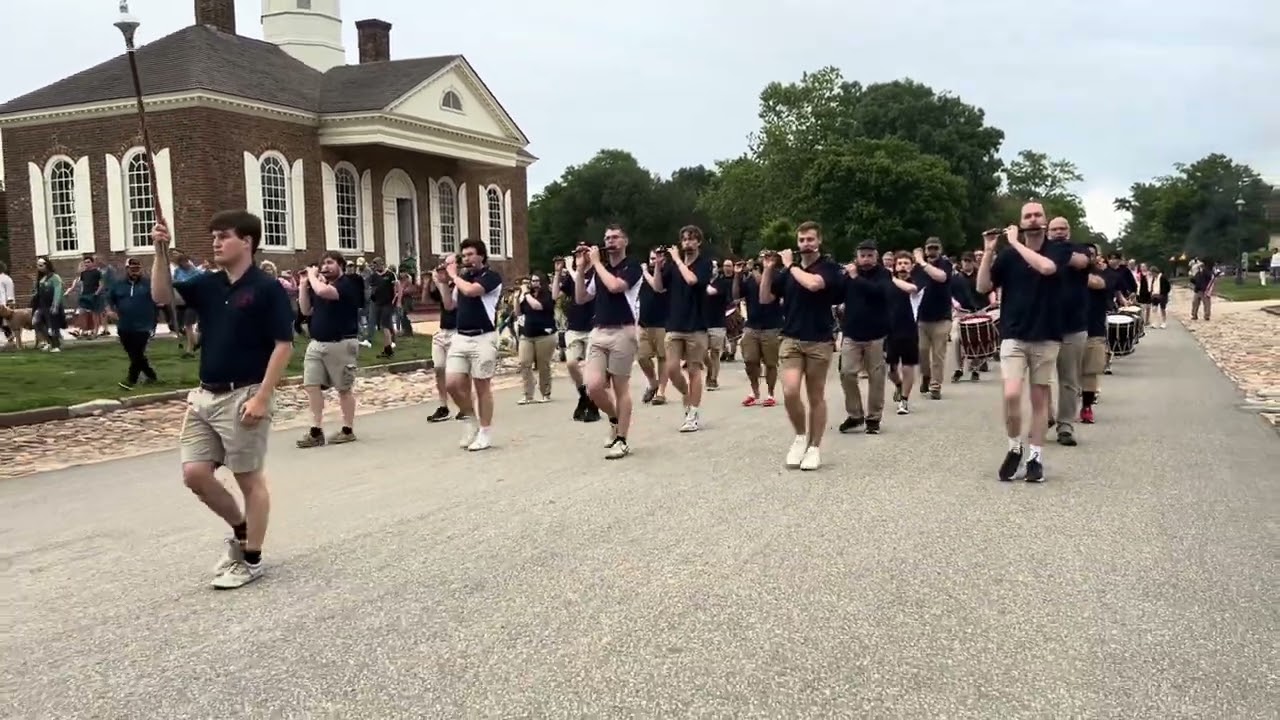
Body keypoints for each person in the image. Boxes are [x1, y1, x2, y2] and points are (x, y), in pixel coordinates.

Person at [149, 211, 294, 589]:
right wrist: (159, 251)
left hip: (246, 393)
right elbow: (162, 295)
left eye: (224, 236)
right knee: (195, 474)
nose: (215, 242)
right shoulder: (208, 284)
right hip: (204, 395)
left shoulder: (266, 288)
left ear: (246, 241)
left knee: (248, 478)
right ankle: (241, 530)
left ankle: (252, 559)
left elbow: (284, 346)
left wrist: (263, 397)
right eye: (213, 235)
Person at [975, 204, 1074, 483]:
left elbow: (1045, 268)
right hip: (1014, 334)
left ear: (1044, 220)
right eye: (1027, 216)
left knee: (1039, 398)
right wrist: (989, 251)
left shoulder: (1058, 248)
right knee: (1011, 393)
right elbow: (983, 287)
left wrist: (1016, 242)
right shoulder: (1008, 255)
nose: (1032, 219)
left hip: (1047, 334)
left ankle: (1035, 457)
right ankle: (1014, 447)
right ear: (1020, 221)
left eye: (1037, 215)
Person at [760, 221, 842, 471]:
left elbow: (814, 284)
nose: (805, 244)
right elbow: (765, 298)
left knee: (815, 395)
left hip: (819, 340)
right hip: (791, 338)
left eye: (810, 239)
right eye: (802, 240)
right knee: (791, 391)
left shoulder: (828, 267)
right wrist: (768, 270)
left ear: (819, 241)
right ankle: (799, 436)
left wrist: (790, 265)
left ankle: (814, 447)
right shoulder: (787, 273)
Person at [577, 225, 644, 459]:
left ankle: (622, 439)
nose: (610, 241)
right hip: (599, 331)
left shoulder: (633, 267)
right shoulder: (599, 270)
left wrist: (596, 263)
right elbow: (581, 297)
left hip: (622, 332)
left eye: (615, 237)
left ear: (625, 241)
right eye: (607, 238)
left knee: (620, 386)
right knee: (593, 386)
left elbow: (616, 287)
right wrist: (579, 269)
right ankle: (615, 418)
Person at [295, 251, 362, 448]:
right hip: (317, 344)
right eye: (322, 263)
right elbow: (306, 310)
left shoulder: (346, 284)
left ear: (340, 265)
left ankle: (347, 429)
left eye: (330, 263)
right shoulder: (319, 286)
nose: (325, 266)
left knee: (343, 389)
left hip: (341, 343)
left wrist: (314, 278)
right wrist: (303, 284)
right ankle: (316, 431)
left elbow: (325, 293)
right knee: (311, 385)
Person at [652, 225, 715, 432]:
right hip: (674, 324)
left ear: (698, 242)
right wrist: (658, 266)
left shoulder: (704, 264)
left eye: (691, 239)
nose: (687, 243)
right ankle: (688, 397)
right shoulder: (672, 266)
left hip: (696, 325)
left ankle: (693, 414)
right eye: (684, 239)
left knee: (694, 370)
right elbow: (658, 287)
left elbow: (692, 280)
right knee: (671, 369)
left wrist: (677, 259)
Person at [444, 238, 504, 451]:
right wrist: (443, 281)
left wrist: (452, 275)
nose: (466, 259)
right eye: (464, 255)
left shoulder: (491, 277)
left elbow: (471, 291)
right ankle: (470, 417)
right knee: (451, 383)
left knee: (481, 387)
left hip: (483, 337)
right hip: (461, 336)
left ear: (481, 256)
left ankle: (485, 432)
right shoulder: (462, 277)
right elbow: (449, 304)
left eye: (470, 255)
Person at [1046, 217, 1094, 447]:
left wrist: (1052, 251)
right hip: (1043, 325)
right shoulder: (1040, 251)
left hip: (1073, 325)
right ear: (1047, 231)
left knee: (1068, 379)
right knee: (1039, 378)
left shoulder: (1079, 249)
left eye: (1062, 228)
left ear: (1069, 231)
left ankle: (1065, 425)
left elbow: (1082, 262)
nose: (1058, 232)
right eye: (1053, 229)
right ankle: (1044, 415)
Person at [837, 240, 891, 435]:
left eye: (870, 255)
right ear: (856, 257)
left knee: (876, 378)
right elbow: (837, 296)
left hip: (876, 334)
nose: (866, 259)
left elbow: (878, 292)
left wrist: (855, 277)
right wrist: (843, 278)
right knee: (847, 373)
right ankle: (855, 414)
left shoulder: (884, 274)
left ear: (876, 257)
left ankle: (874, 418)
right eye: (862, 256)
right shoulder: (849, 275)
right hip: (852, 333)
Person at [733, 250, 783, 407]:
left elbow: (763, 286)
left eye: (767, 257)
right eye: (761, 256)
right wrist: (737, 275)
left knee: (770, 363)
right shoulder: (749, 278)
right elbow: (735, 295)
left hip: (771, 325)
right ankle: (754, 391)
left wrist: (753, 270)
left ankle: (770, 393)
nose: (763, 259)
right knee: (749, 360)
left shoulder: (777, 276)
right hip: (752, 325)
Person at [556, 254, 600, 422]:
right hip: (574, 326)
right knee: (571, 363)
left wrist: (575, 270)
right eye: (577, 253)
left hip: (592, 326)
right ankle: (585, 396)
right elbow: (555, 296)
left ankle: (593, 404)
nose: (579, 256)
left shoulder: (596, 271)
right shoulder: (572, 275)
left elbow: (586, 289)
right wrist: (559, 273)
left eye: (584, 252)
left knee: (590, 368)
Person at [422, 263, 465, 422]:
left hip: (457, 331)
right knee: (439, 369)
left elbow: (450, 306)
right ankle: (443, 406)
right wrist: (427, 283)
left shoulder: (460, 285)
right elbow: (425, 300)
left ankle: (465, 405)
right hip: (442, 331)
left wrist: (441, 282)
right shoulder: (444, 285)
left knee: (457, 373)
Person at [108, 258, 158, 390]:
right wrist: (110, 310)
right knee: (134, 354)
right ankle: (151, 376)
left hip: (144, 325)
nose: (135, 272)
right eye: (132, 269)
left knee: (137, 353)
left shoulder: (149, 284)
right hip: (124, 325)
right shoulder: (118, 284)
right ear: (127, 269)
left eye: (137, 269)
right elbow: (109, 299)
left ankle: (130, 381)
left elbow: (159, 299)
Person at [913, 238, 953, 399]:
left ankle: (936, 385)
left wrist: (922, 262)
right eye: (930, 248)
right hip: (922, 317)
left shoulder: (945, 263)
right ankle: (926, 375)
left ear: (940, 249)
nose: (933, 251)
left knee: (938, 354)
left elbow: (941, 277)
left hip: (942, 317)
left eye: (936, 248)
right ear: (925, 249)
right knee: (922, 352)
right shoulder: (917, 267)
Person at [885, 251, 922, 415]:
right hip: (889, 330)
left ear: (912, 266)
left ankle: (904, 400)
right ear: (895, 265)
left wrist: (890, 278)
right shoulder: (887, 284)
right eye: (899, 263)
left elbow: (911, 289)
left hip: (909, 329)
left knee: (908, 366)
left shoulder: (917, 281)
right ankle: (899, 385)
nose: (902, 266)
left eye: (906, 263)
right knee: (891, 369)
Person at [1080, 249, 1112, 424]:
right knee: (1066, 375)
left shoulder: (1102, 275)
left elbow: (1098, 284)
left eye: (1091, 254)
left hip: (1094, 330)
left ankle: (1086, 407)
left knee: (1090, 373)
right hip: (1067, 330)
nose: (1088, 257)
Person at [514, 273, 557, 404]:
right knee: (524, 363)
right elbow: (518, 313)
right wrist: (517, 298)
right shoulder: (527, 296)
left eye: (537, 280)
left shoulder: (548, 295)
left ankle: (545, 392)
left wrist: (526, 294)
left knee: (543, 365)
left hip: (544, 335)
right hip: (527, 335)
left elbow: (537, 306)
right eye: (532, 281)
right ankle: (528, 394)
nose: (534, 283)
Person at [637, 249, 670, 405]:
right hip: (643, 323)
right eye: (651, 258)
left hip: (662, 323)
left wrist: (645, 271)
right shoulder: (642, 275)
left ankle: (661, 392)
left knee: (663, 358)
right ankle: (652, 382)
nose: (653, 261)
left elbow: (658, 287)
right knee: (642, 357)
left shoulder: (667, 274)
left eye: (657, 258)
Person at [950, 252, 986, 383]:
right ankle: (958, 368)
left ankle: (975, 368)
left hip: (978, 312)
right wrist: (954, 302)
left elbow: (989, 290)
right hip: (961, 313)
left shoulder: (980, 276)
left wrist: (992, 301)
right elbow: (949, 293)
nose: (966, 263)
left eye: (969, 261)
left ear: (973, 262)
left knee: (976, 340)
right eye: (964, 261)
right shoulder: (955, 278)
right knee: (956, 338)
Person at [703, 259, 734, 390]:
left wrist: (700, 282)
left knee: (715, 352)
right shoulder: (701, 282)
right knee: (701, 352)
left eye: (714, 267)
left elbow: (711, 292)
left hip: (717, 323)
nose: (712, 269)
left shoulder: (722, 283)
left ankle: (713, 379)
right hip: (701, 323)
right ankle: (710, 369)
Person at [32, 256, 64, 352]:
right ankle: (48, 342)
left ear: (47, 265)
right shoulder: (40, 278)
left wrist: (55, 305)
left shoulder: (55, 277)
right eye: (38, 265)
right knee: (36, 322)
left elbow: (58, 291)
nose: (39, 267)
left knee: (52, 326)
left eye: (41, 265)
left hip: (51, 305)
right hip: (41, 305)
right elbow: (37, 292)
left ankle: (56, 345)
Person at [367, 257, 398, 358]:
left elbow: (396, 288)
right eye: (374, 265)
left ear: (382, 264)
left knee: (385, 325)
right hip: (377, 303)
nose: (376, 267)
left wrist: (395, 301)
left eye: (377, 264)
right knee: (382, 326)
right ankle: (386, 349)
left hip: (388, 303)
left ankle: (389, 350)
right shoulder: (373, 276)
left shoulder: (390, 274)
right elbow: (370, 288)